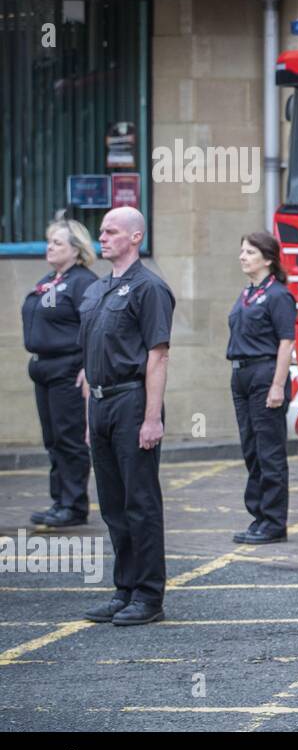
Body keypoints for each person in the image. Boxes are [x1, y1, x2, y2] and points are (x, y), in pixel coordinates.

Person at [79, 207, 175, 627]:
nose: (102, 237)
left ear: (135, 237)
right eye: (101, 231)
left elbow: (158, 355)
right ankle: (125, 588)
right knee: (113, 505)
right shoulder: (99, 288)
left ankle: (149, 595)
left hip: (132, 401)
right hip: (100, 404)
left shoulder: (149, 288)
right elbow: (89, 357)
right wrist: (89, 415)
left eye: (112, 231)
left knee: (140, 502)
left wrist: (152, 417)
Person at [25, 219, 98, 529]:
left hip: (67, 367)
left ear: (76, 250)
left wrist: (88, 365)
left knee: (69, 438)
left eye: (57, 243)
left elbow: (95, 327)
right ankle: (60, 501)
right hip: (43, 367)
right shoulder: (48, 281)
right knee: (52, 439)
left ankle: (74, 504)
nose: (49, 247)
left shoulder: (83, 281)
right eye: (49, 241)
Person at [227, 232, 296, 545]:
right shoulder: (247, 292)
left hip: (264, 373)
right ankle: (258, 517)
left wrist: (278, 385)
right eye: (242, 251)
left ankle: (273, 521)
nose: (242, 256)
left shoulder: (278, 295)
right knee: (252, 449)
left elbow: (286, 341)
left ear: (268, 259)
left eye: (250, 252)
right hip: (241, 374)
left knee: (269, 451)